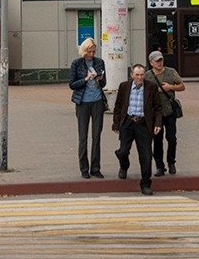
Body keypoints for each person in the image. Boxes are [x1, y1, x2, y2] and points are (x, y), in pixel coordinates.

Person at [111, 64, 162, 196]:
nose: (139, 78)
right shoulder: (124, 86)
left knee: (146, 155)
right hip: (127, 122)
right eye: (137, 75)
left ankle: (145, 184)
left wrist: (157, 123)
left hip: (143, 124)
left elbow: (158, 108)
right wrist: (116, 124)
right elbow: (118, 106)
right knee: (122, 151)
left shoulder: (151, 87)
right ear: (132, 75)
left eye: (141, 75)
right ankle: (124, 165)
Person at [68, 38, 107, 179]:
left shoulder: (99, 62)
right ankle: (84, 168)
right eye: (89, 51)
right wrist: (85, 79)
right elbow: (72, 84)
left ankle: (95, 167)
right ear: (84, 51)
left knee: (96, 135)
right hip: (82, 102)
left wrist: (99, 78)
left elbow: (104, 83)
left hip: (97, 102)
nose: (92, 54)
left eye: (94, 51)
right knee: (83, 136)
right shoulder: (77, 63)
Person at [145, 50, 184, 177]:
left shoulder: (171, 72)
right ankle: (159, 166)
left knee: (171, 138)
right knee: (157, 140)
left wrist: (170, 87)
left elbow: (182, 86)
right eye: (157, 61)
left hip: (169, 110)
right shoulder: (147, 75)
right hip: (156, 113)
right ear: (151, 62)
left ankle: (171, 162)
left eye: (161, 60)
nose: (160, 63)